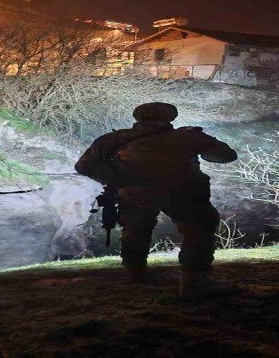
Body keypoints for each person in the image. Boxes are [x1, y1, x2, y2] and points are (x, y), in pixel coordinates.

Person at [75, 102, 237, 299]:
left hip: (135, 192)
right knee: (198, 230)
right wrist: (198, 140)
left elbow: (84, 166)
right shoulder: (188, 136)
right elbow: (226, 156)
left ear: (137, 117)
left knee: (135, 230)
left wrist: (118, 179)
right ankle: (195, 282)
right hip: (184, 191)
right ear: (170, 117)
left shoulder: (114, 139)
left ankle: (136, 274)